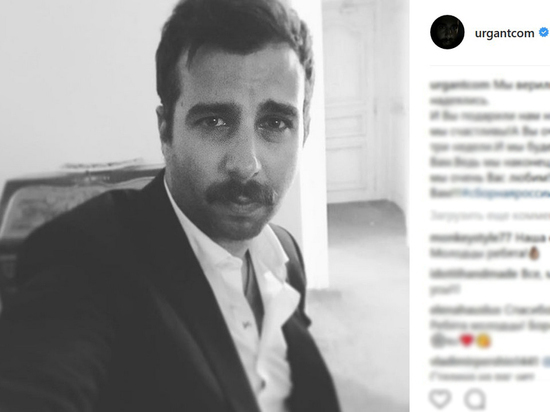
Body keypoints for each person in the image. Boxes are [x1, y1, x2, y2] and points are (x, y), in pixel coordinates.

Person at [0, 0, 340, 411]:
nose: (245, 163)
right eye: (214, 121)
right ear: (166, 131)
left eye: (276, 123)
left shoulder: (285, 254)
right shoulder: (86, 258)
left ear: (304, 132)